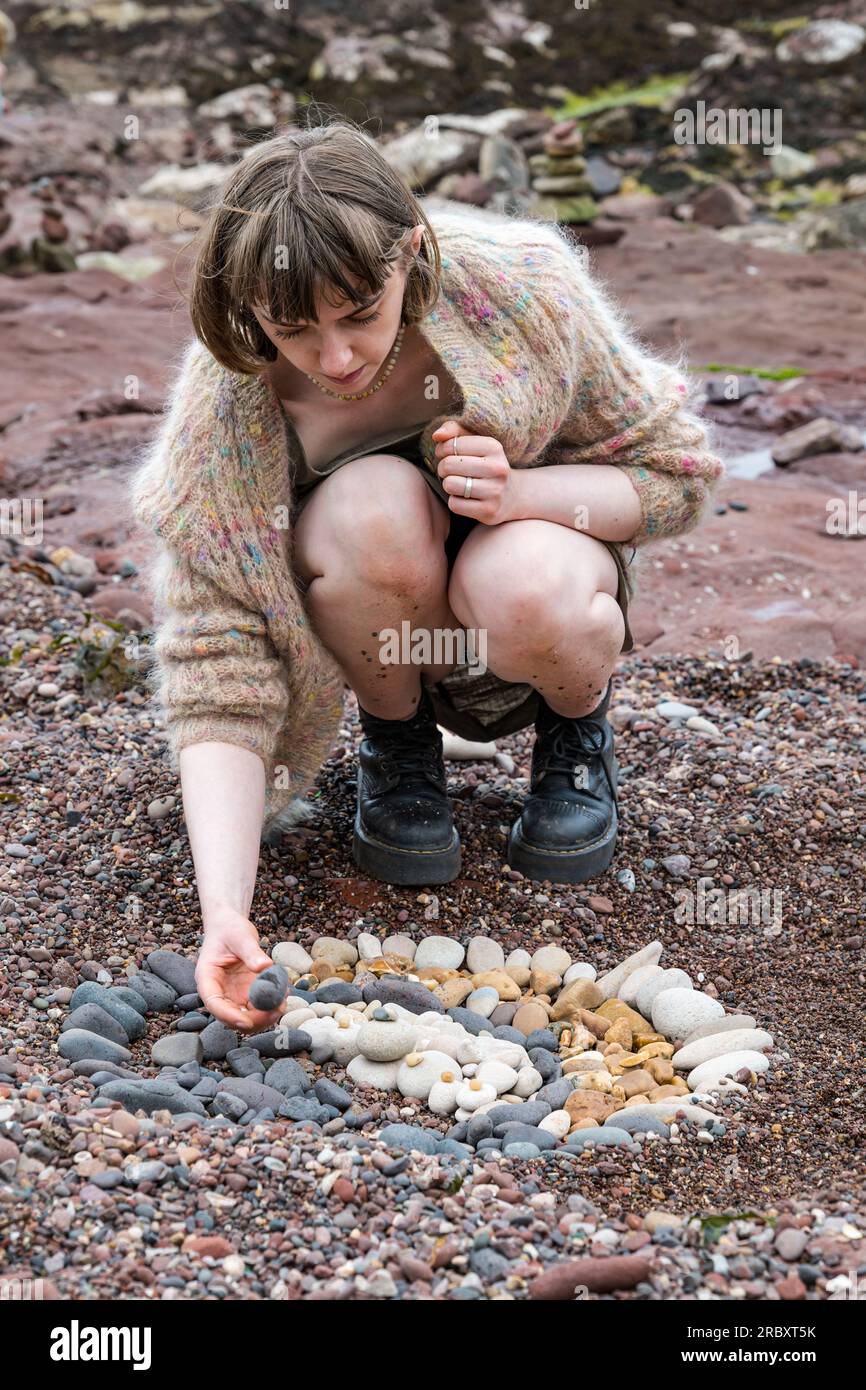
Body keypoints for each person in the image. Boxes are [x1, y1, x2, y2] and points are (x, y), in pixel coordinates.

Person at [130, 118, 722, 1028]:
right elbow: (215, 656)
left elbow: (675, 477)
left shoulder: (524, 285)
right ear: (249, 307)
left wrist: (524, 491)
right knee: (371, 505)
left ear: (410, 251)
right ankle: (396, 745)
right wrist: (225, 914)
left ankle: (575, 737)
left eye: (360, 314)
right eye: (294, 329)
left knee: (525, 575)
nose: (336, 359)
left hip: (534, 619)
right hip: (376, 640)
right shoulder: (229, 399)